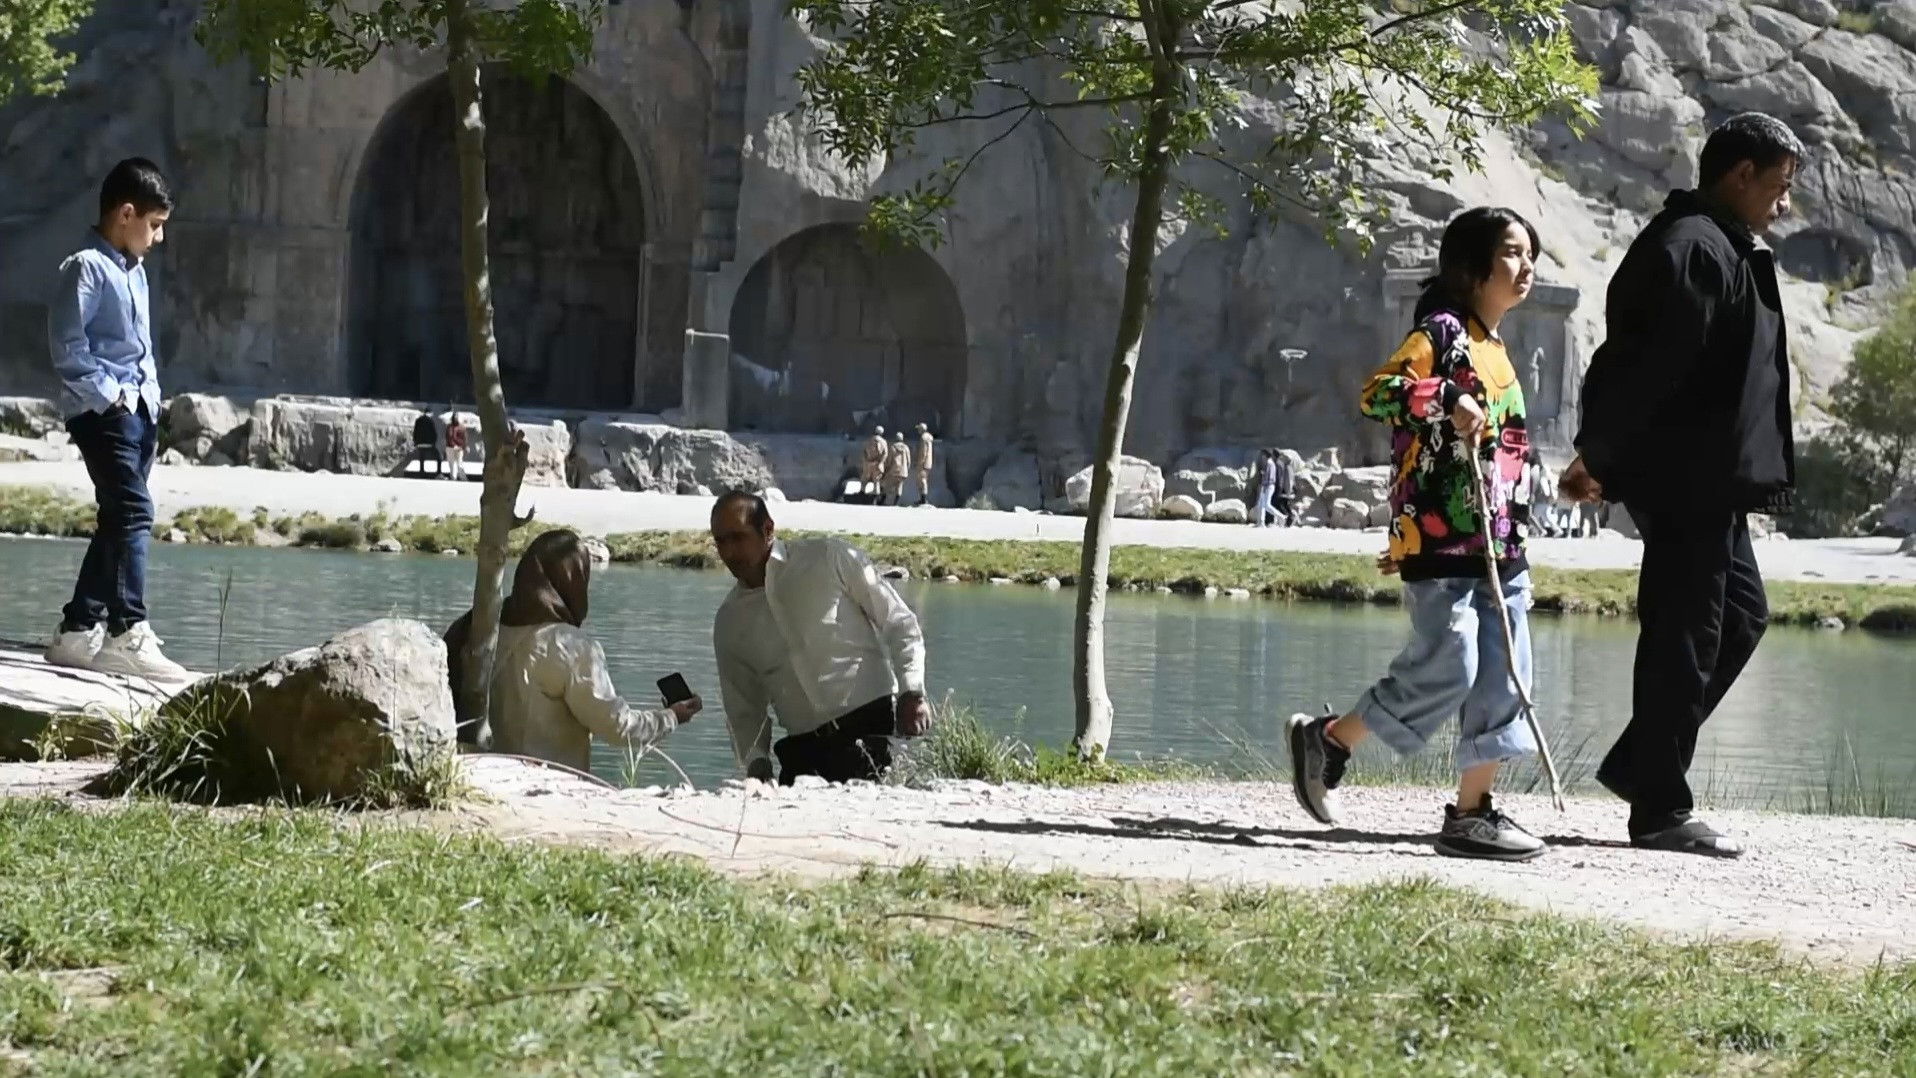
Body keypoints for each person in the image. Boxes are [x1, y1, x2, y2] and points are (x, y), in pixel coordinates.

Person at [1560, 113, 1803, 858]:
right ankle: (1661, 809)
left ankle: (1641, 765)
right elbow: (1650, 367)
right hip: (1686, 478)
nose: (1783, 205)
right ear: (1738, 175)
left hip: (1713, 480)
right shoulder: (1693, 248)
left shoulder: (1721, 243)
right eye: (1778, 187)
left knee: (1739, 618)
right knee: (1684, 635)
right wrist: (1597, 455)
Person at [1285, 206, 1546, 861]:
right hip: (1442, 543)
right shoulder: (1443, 334)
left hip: (1501, 547)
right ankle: (1330, 740)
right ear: (1472, 266)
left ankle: (1472, 813)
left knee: (1505, 678)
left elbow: (1504, 454)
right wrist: (1442, 399)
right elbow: (1378, 395)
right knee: (1449, 665)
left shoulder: (1497, 348)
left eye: (1530, 255)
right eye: (1513, 253)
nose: (1526, 267)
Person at [42, 158, 190, 681]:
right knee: (133, 513)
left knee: (118, 517)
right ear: (125, 214)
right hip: (103, 412)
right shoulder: (86, 267)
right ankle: (128, 630)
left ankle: (79, 631)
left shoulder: (135, 271)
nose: (159, 238)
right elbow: (67, 345)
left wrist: (147, 400)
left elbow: (140, 349)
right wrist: (113, 398)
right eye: (154, 225)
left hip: (138, 413)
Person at [709, 491, 931, 785]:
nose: (729, 553)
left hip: (874, 732)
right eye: (721, 541)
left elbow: (899, 623)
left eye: (738, 538)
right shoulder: (730, 620)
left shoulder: (828, 558)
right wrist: (756, 763)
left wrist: (912, 691)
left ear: (768, 530)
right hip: (803, 754)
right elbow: (743, 706)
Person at [443, 529, 700, 769]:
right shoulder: (571, 647)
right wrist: (671, 717)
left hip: (480, 773)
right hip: (546, 785)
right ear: (575, 581)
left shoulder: (476, 628)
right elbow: (617, 727)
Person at [1252, 449, 1278, 527]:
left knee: (1266, 505)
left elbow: (1270, 477)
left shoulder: (1269, 464)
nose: (1262, 456)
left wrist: (1264, 486)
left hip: (1268, 486)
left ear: (1265, 455)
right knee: (1261, 505)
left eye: (1263, 455)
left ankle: (1281, 517)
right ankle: (1261, 523)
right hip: (1266, 486)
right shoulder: (1268, 463)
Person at [882, 431, 910, 506]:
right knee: (899, 487)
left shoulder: (893, 447)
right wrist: (907, 469)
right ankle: (895, 503)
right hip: (903, 472)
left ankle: (882, 500)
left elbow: (889, 460)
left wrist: (886, 469)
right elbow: (908, 461)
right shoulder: (906, 448)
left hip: (894, 470)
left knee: (888, 485)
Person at [861, 425, 888, 501]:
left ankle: (861, 496)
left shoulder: (869, 440)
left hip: (868, 463)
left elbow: (864, 452)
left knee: (864, 480)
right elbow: (885, 453)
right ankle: (874, 500)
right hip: (878, 464)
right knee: (876, 481)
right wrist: (881, 462)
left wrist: (866, 461)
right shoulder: (884, 442)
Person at [1271, 448, 1297, 527]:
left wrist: (1283, 491)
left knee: (1280, 505)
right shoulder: (1289, 467)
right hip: (1287, 490)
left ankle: (1288, 519)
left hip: (1284, 490)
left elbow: (1284, 480)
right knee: (1285, 505)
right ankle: (1288, 520)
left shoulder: (1283, 466)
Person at [914, 422, 935, 506]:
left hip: (923, 462)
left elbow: (923, 451)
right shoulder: (929, 438)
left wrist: (920, 462)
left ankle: (923, 500)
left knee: (922, 480)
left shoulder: (923, 438)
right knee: (924, 480)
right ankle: (923, 499)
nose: (918, 430)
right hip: (928, 462)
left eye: (919, 428)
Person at [445, 412, 468, 481]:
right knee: (459, 462)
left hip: (451, 447)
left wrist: (454, 445)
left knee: (452, 463)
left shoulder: (450, 426)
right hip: (458, 447)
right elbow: (465, 438)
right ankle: (461, 477)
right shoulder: (462, 427)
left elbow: (449, 437)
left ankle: (454, 477)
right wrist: (464, 446)